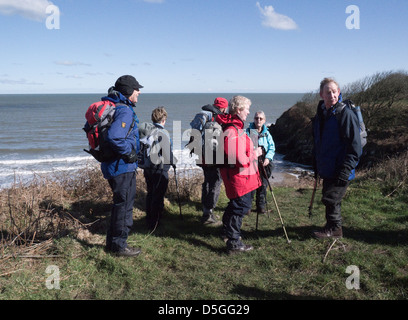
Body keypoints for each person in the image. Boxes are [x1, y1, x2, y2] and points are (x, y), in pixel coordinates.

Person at [312, 78, 362, 239]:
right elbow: (320, 142)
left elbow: (355, 146)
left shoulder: (344, 114)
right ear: (321, 94)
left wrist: (346, 169)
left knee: (331, 198)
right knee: (330, 197)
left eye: (334, 91)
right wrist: (317, 163)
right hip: (327, 166)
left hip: (340, 167)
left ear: (339, 92)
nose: (332, 95)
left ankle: (335, 229)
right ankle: (331, 226)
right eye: (328, 92)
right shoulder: (322, 114)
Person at [100, 75, 143, 257]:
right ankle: (119, 247)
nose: (138, 92)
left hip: (112, 166)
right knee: (124, 206)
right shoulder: (124, 110)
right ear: (128, 91)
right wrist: (130, 152)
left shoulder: (114, 107)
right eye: (136, 89)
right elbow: (115, 137)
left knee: (119, 205)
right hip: (122, 167)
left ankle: (112, 244)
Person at [216, 95, 262, 254]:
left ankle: (226, 231)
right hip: (238, 177)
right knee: (240, 207)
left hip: (242, 177)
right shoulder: (232, 130)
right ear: (238, 109)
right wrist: (255, 153)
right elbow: (240, 159)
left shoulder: (236, 128)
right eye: (247, 109)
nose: (249, 112)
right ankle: (234, 243)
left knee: (237, 205)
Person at [142, 107, 176, 230]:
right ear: (163, 119)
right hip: (159, 168)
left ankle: (149, 219)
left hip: (147, 167)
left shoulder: (147, 131)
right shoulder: (164, 133)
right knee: (158, 195)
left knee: (150, 193)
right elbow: (167, 152)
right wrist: (173, 162)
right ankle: (156, 222)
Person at [199, 97, 228, 225]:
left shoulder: (205, 117)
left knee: (207, 182)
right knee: (215, 183)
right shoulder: (218, 120)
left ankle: (205, 210)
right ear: (222, 107)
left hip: (203, 157)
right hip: (214, 159)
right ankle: (209, 213)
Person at [246, 111, 275, 214]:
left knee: (263, 185)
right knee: (251, 186)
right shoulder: (248, 131)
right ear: (253, 119)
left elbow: (272, 148)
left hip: (265, 162)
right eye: (256, 118)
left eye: (260, 118)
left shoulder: (267, 133)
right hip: (252, 162)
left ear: (264, 120)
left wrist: (268, 158)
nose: (258, 120)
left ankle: (261, 207)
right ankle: (247, 207)